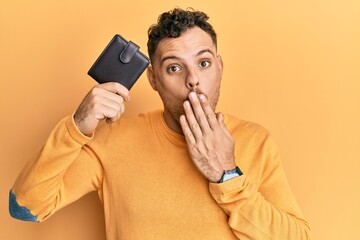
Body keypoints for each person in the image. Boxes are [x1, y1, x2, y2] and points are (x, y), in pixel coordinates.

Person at [9, 7, 311, 240]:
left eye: (203, 63)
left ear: (219, 67)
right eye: (174, 67)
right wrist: (76, 128)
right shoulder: (114, 140)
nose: (192, 79)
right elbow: (25, 207)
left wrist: (227, 175)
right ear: (153, 78)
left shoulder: (256, 141)